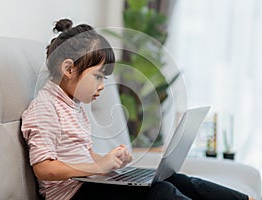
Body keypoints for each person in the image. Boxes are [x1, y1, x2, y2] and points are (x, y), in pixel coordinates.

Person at [21, 19, 254, 200]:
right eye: (98, 77)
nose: (102, 86)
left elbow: (82, 153)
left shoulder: (73, 105)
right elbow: (44, 168)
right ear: (69, 69)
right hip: (73, 195)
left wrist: (108, 161)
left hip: (90, 185)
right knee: (161, 192)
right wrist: (98, 166)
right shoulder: (45, 108)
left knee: (178, 180)